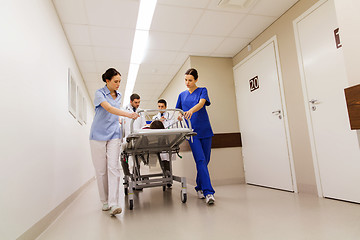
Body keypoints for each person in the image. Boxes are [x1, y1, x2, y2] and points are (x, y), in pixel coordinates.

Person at [89, 68, 139, 216]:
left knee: (114, 167)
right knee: (101, 170)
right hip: (97, 135)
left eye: (120, 82)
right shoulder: (99, 94)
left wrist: (120, 119)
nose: (118, 84)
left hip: (114, 134)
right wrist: (129, 114)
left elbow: (114, 112)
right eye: (115, 81)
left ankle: (114, 203)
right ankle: (104, 201)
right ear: (107, 81)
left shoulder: (120, 95)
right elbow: (109, 108)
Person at [176, 68, 215, 205]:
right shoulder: (182, 95)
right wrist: (181, 116)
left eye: (190, 80)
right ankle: (208, 192)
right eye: (185, 80)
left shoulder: (203, 90)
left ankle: (199, 187)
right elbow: (178, 113)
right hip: (192, 133)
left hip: (206, 131)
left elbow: (201, 103)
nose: (187, 82)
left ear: (196, 80)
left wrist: (190, 111)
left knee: (205, 161)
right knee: (200, 160)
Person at [120, 93, 146, 177]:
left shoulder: (141, 112)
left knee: (137, 158)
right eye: (136, 102)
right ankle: (127, 174)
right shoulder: (124, 110)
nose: (138, 104)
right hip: (127, 138)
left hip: (138, 138)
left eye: (139, 102)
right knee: (124, 156)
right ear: (131, 101)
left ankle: (136, 175)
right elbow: (121, 124)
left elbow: (143, 125)